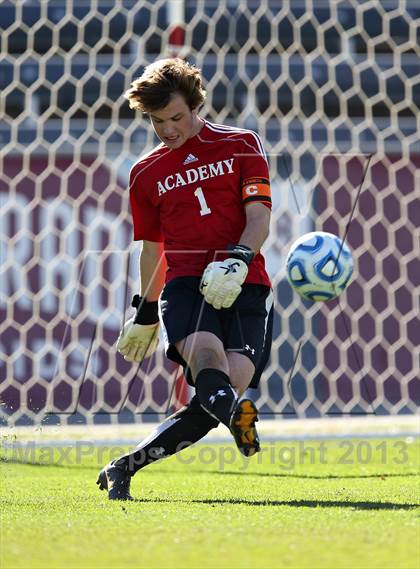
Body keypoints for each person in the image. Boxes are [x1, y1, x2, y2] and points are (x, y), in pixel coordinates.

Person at [97, 58, 274, 500]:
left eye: (176, 117)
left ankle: (123, 467)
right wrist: (144, 313)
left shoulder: (242, 144)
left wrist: (236, 260)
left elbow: (259, 218)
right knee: (208, 361)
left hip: (246, 281)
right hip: (185, 286)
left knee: (222, 391)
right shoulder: (144, 173)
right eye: (157, 121)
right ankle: (239, 418)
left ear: (196, 105)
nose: (168, 129)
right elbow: (152, 250)